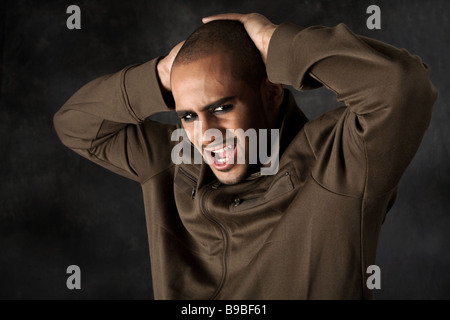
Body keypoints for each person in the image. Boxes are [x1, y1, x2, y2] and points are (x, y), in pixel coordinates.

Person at [54, 13, 437, 299]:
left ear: (271, 94)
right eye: (188, 115)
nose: (205, 135)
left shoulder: (339, 159)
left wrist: (275, 42)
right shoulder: (174, 159)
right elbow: (75, 125)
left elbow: (403, 86)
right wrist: (161, 75)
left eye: (221, 108)